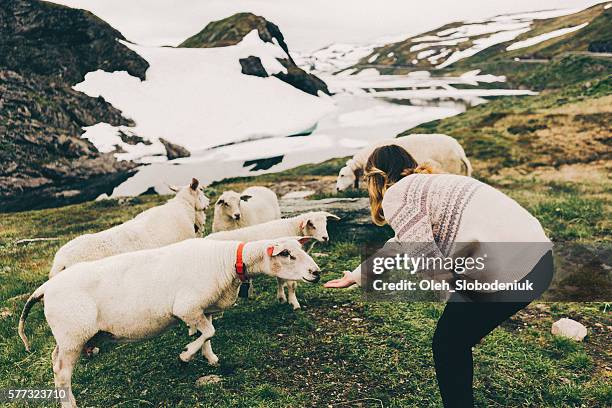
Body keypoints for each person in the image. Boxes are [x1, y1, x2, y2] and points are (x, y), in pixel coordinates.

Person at [324, 144, 553, 408]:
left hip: (511, 269)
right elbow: (402, 242)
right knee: (458, 337)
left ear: (376, 179)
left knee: (447, 343)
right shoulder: (428, 185)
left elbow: (425, 256)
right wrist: (358, 276)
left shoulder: (397, 194)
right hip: (540, 263)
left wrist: (457, 302)